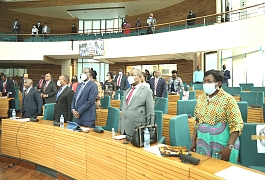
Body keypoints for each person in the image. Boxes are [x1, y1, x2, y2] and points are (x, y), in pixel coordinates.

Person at [191, 70, 243, 164]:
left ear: (218, 83)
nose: (206, 84)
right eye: (204, 81)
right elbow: (197, 121)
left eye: (209, 81)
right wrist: (194, 141)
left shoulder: (228, 99)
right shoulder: (200, 99)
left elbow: (236, 125)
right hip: (203, 145)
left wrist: (229, 147)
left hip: (222, 147)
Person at [119, 69, 154, 135]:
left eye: (132, 75)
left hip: (137, 129)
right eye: (129, 75)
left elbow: (150, 113)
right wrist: (120, 126)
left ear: (140, 77)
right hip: (124, 129)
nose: (129, 77)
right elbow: (123, 109)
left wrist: (150, 131)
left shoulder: (147, 91)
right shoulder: (127, 91)